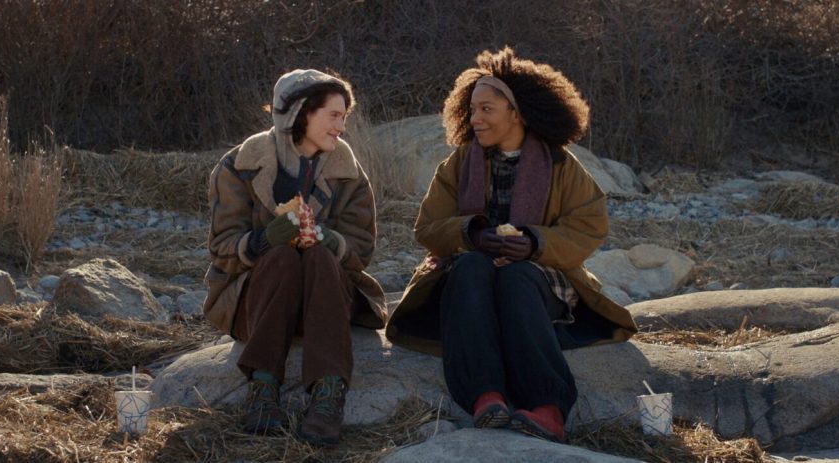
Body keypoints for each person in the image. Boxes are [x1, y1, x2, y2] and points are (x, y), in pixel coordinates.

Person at [387, 48, 638, 442]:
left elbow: (589, 225)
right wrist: (469, 234)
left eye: (486, 109)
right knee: (471, 266)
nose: (475, 119)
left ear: (516, 113)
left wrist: (537, 243)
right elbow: (428, 227)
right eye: (471, 110)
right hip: (470, 281)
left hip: (540, 279)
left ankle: (548, 410)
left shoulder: (561, 165)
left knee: (519, 276)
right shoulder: (458, 164)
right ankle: (487, 398)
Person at [202, 69, 386, 446]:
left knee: (318, 256)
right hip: (258, 302)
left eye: (344, 118)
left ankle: (328, 396)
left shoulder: (348, 172)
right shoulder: (239, 165)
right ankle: (264, 387)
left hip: (327, 300)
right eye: (333, 116)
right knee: (282, 257)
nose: (341, 127)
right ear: (301, 113)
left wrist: (330, 240)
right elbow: (222, 244)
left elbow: (361, 249)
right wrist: (262, 241)